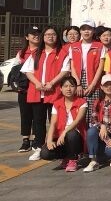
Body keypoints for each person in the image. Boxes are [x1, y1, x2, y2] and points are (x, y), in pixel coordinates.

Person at [23, 26, 69, 161]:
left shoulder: (62, 52)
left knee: (56, 121)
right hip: (37, 93)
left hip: (54, 92)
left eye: (53, 34)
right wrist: (37, 83)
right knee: (38, 122)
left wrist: (52, 83)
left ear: (57, 36)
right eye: (47, 34)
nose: (50, 37)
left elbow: (65, 70)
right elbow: (28, 71)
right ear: (43, 37)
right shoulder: (36, 53)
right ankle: (39, 147)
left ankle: (57, 147)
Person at [41, 77, 87, 172]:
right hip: (60, 138)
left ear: (76, 88)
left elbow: (77, 121)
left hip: (76, 138)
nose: (68, 89)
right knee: (45, 153)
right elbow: (53, 123)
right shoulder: (56, 104)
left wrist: (64, 132)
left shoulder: (82, 103)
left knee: (71, 134)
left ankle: (73, 159)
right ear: (61, 89)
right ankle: (65, 158)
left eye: (71, 86)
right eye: (65, 86)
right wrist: (49, 140)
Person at [68, 19, 105, 125]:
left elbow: (100, 67)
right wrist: (77, 84)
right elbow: (72, 66)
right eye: (84, 29)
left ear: (93, 31)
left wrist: (93, 85)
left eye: (89, 29)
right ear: (80, 31)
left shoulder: (99, 46)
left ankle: (92, 133)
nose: (86, 31)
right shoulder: (73, 46)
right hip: (78, 80)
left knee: (93, 110)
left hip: (94, 80)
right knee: (79, 109)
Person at [14, 28, 36, 154]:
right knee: (25, 115)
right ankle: (26, 140)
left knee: (37, 116)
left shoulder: (42, 51)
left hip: (37, 88)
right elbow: (15, 70)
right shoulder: (22, 53)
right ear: (27, 37)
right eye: (33, 34)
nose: (36, 36)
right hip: (24, 89)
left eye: (38, 34)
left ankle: (37, 139)